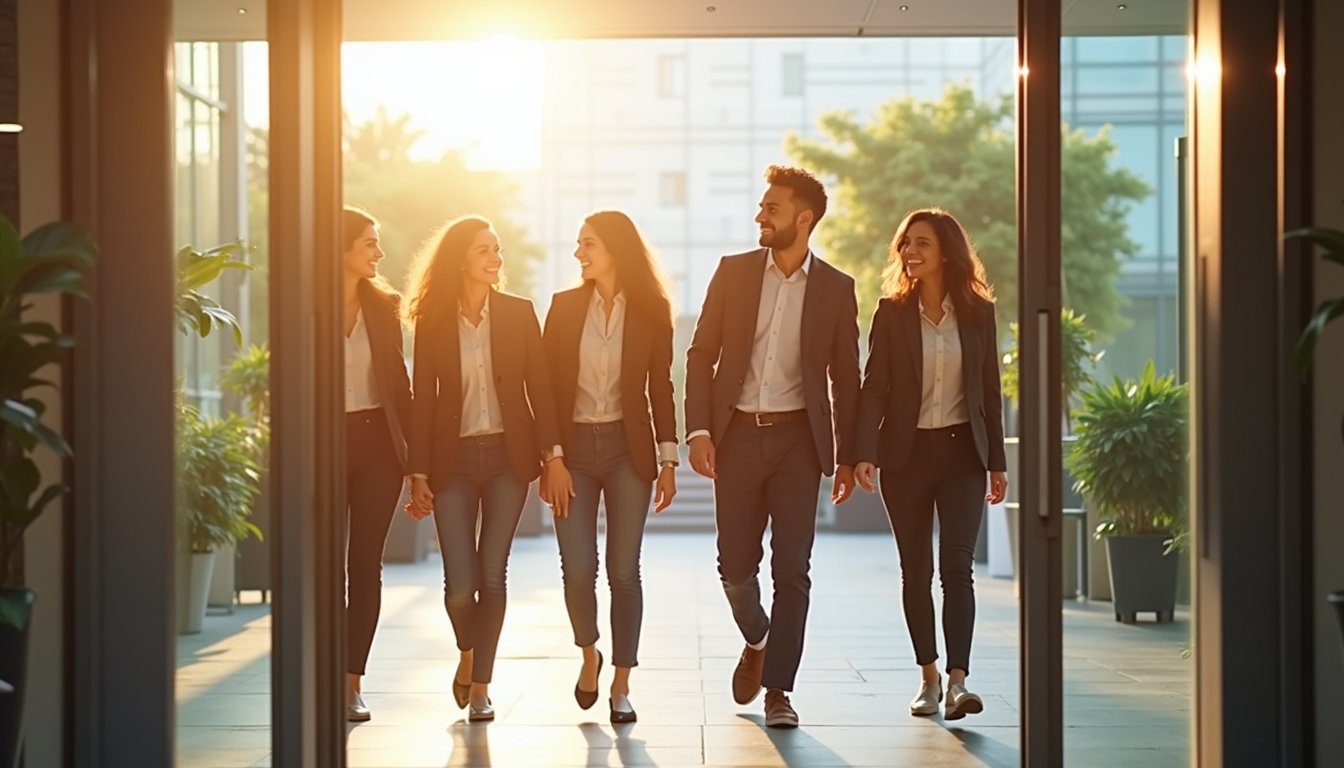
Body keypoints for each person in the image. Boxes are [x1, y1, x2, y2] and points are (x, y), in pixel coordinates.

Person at [684, 164, 860, 729]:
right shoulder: (734, 274)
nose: (761, 215)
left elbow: (845, 377)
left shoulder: (837, 288)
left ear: (803, 219)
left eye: (773, 208)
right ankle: (758, 637)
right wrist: (700, 429)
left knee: (793, 570)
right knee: (734, 565)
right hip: (735, 434)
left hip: (797, 444)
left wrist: (848, 455)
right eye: (762, 208)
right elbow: (699, 354)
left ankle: (779, 689)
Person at [402, 215, 568, 723]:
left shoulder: (520, 313)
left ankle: (481, 687)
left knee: (492, 575)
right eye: (484, 251)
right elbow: (422, 401)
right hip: (451, 461)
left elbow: (539, 388)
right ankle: (468, 652)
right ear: (460, 260)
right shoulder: (432, 320)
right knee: (458, 586)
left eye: (497, 250)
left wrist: (553, 456)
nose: (496, 259)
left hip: (506, 460)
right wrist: (419, 472)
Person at [852, 207, 1009, 721]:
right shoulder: (891, 312)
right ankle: (928, 678)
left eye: (920, 243)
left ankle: (960, 682)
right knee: (914, 570)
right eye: (905, 244)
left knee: (957, 569)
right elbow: (873, 386)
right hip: (906, 455)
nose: (909, 253)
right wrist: (864, 452)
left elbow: (990, 390)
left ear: (946, 251)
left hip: (964, 453)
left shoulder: (978, 313)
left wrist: (997, 463)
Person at [541, 210, 679, 724]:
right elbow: (547, 388)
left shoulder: (651, 310)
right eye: (579, 244)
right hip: (572, 451)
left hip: (628, 450)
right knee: (578, 569)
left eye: (589, 244)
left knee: (624, 571)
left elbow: (660, 388)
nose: (579, 253)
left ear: (615, 249)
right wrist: (551, 457)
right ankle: (589, 654)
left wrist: (668, 459)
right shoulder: (563, 307)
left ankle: (621, 682)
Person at [339, 206, 413, 722]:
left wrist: (416, 466)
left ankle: (350, 684)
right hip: (319, 447)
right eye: (369, 243)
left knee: (364, 566)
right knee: (318, 569)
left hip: (377, 448)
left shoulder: (385, 307)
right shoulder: (303, 305)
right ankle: (316, 673)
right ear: (339, 248)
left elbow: (401, 389)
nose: (379, 253)